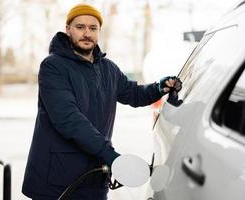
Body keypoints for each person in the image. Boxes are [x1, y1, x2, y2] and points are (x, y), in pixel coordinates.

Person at [22, 3, 182, 200]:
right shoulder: (53, 67)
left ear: (99, 31)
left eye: (93, 28)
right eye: (80, 27)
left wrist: (158, 88)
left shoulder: (107, 68)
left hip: (95, 178)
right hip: (57, 181)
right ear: (68, 30)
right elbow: (68, 119)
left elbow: (133, 94)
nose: (86, 33)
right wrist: (111, 156)